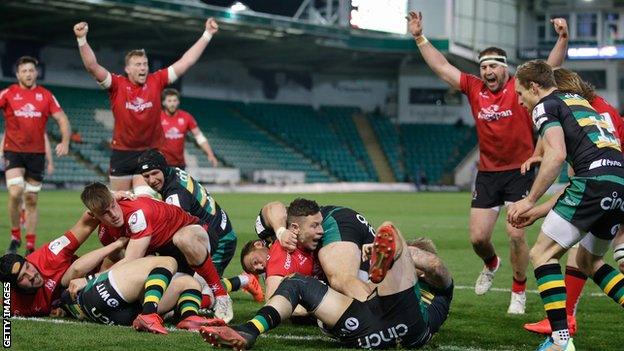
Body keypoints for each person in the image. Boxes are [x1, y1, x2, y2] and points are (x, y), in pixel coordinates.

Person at [406, 11, 569, 314]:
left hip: (520, 171)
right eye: (483, 66)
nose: (487, 71)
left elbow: (551, 67)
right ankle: (491, 263)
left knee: (517, 233)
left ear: (505, 69)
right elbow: (442, 67)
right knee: (478, 238)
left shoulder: (519, 86)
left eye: (493, 65)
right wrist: (419, 37)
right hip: (487, 174)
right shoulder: (474, 88)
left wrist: (562, 38)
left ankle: (518, 291)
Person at [508, 60, 624, 351]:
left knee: (542, 253)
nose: (520, 102)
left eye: (521, 94)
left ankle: (560, 341)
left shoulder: (545, 106)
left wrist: (529, 200)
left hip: (595, 183)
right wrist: (535, 211)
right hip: (618, 183)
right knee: (589, 262)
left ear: (535, 87)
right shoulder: (580, 102)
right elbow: (580, 182)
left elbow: (556, 155)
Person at [200, 222, 453, 350]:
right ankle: (249, 330)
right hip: (370, 325)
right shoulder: (390, 277)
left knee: (389, 227)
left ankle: (392, 249)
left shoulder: (441, 288)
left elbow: (434, 265)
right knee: (297, 283)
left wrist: (399, 252)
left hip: (412, 326)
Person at [73, 18, 218, 194]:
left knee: (145, 201)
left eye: (145, 64)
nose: (143, 68)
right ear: (127, 69)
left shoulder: (156, 80)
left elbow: (186, 62)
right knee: (122, 203)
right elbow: (92, 67)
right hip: (122, 153)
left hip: (149, 153)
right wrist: (82, 39)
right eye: (138, 64)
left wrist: (207, 34)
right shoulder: (117, 85)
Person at [80, 182, 233, 322]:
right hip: (169, 254)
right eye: (105, 213)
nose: (113, 214)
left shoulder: (137, 214)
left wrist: (89, 281)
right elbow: (118, 264)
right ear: (94, 216)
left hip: (197, 235)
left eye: (113, 205)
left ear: (115, 200)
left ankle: (221, 294)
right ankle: (228, 287)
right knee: (164, 300)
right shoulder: (105, 232)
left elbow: (131, 261)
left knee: (183, 238)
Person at [137, 149, 262, 302]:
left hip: (220, 240)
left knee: (197, 297)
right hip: (210, 232)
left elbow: (175, 231)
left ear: (163, 168)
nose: (151, 180)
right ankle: (245, 280)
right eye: (146, 176)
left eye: (154, 173)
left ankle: (244, 281)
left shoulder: (176, 193)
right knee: (189, 288)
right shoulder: (173, 174)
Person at [0, 56, 71, 255]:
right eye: (24, 71)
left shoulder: (46, 95)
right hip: (13, 151)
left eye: (31, 70)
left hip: (37, 155)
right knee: (15, 193)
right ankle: (15, 236)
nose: (28, 74)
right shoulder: (8, 93)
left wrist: (65, 141)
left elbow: (62, 118)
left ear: (36, 73)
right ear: (17, 74)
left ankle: (30, 245)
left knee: (31, 199)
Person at [60, 255, 225, 333]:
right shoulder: (132, 225)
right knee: (167, 261)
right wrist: (90, 277)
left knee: (190, 283)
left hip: (123, 315)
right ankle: (149, 314)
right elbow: (131, 257)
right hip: (99, 294)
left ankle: (188, 316)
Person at [254, 199, 375, 301]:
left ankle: (383, 321)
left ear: (258, 245)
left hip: (335, 222)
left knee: (341, 279)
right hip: (353, 228)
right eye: (257, 272)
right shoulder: (282, 262)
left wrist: (280, 231)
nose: (259, 267)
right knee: (366, 289)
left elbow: (274, 207)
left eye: (253, 262)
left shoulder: (267, 234)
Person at [0, 211, 110, 316]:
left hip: (104, 273)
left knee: (75, 272)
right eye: (22, 277)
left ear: (27, 260)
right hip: (79, 298)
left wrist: (107, 202)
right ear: (13, 288)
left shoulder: (51, 255)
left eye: (28, 267)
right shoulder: (10, 304)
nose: (31, 275)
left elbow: (86, 224)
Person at [160, 89, 218, 168]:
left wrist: (210, 154)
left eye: (174, 100)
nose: (172, 104)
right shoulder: (157, 117)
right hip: (160, 163)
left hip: (179, 164)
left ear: (178, 102)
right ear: (163, 102)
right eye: (169, 101)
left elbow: (199, 137)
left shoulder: (186, 117)